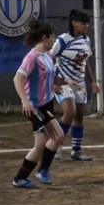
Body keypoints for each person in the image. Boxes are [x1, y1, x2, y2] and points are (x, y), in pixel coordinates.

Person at [11, 19, 65, 188]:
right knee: (57, 135)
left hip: (46, 103)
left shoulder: (48, 55)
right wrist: (25, 101)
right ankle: (42, 170)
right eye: (52, 36)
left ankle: (21, 177)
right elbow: (17, 79)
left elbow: (46, 78)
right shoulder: (32, 57)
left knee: (42, 143)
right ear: (44, 37)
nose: (55, 39)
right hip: (35, 107)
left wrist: (59, 85)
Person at [52, 10, 99, 161]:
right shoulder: (62, 40)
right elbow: (47, 60)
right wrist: (53, 82)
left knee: (79, 116)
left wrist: (92, 81)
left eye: (87, 23)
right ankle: (56, 146)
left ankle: (76, 151)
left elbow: (85, 63)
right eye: (83, 23)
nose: (87, 26)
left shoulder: (86, 40)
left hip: (79, 83)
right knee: (70, 112)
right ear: (74, 23)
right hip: (63, 82)